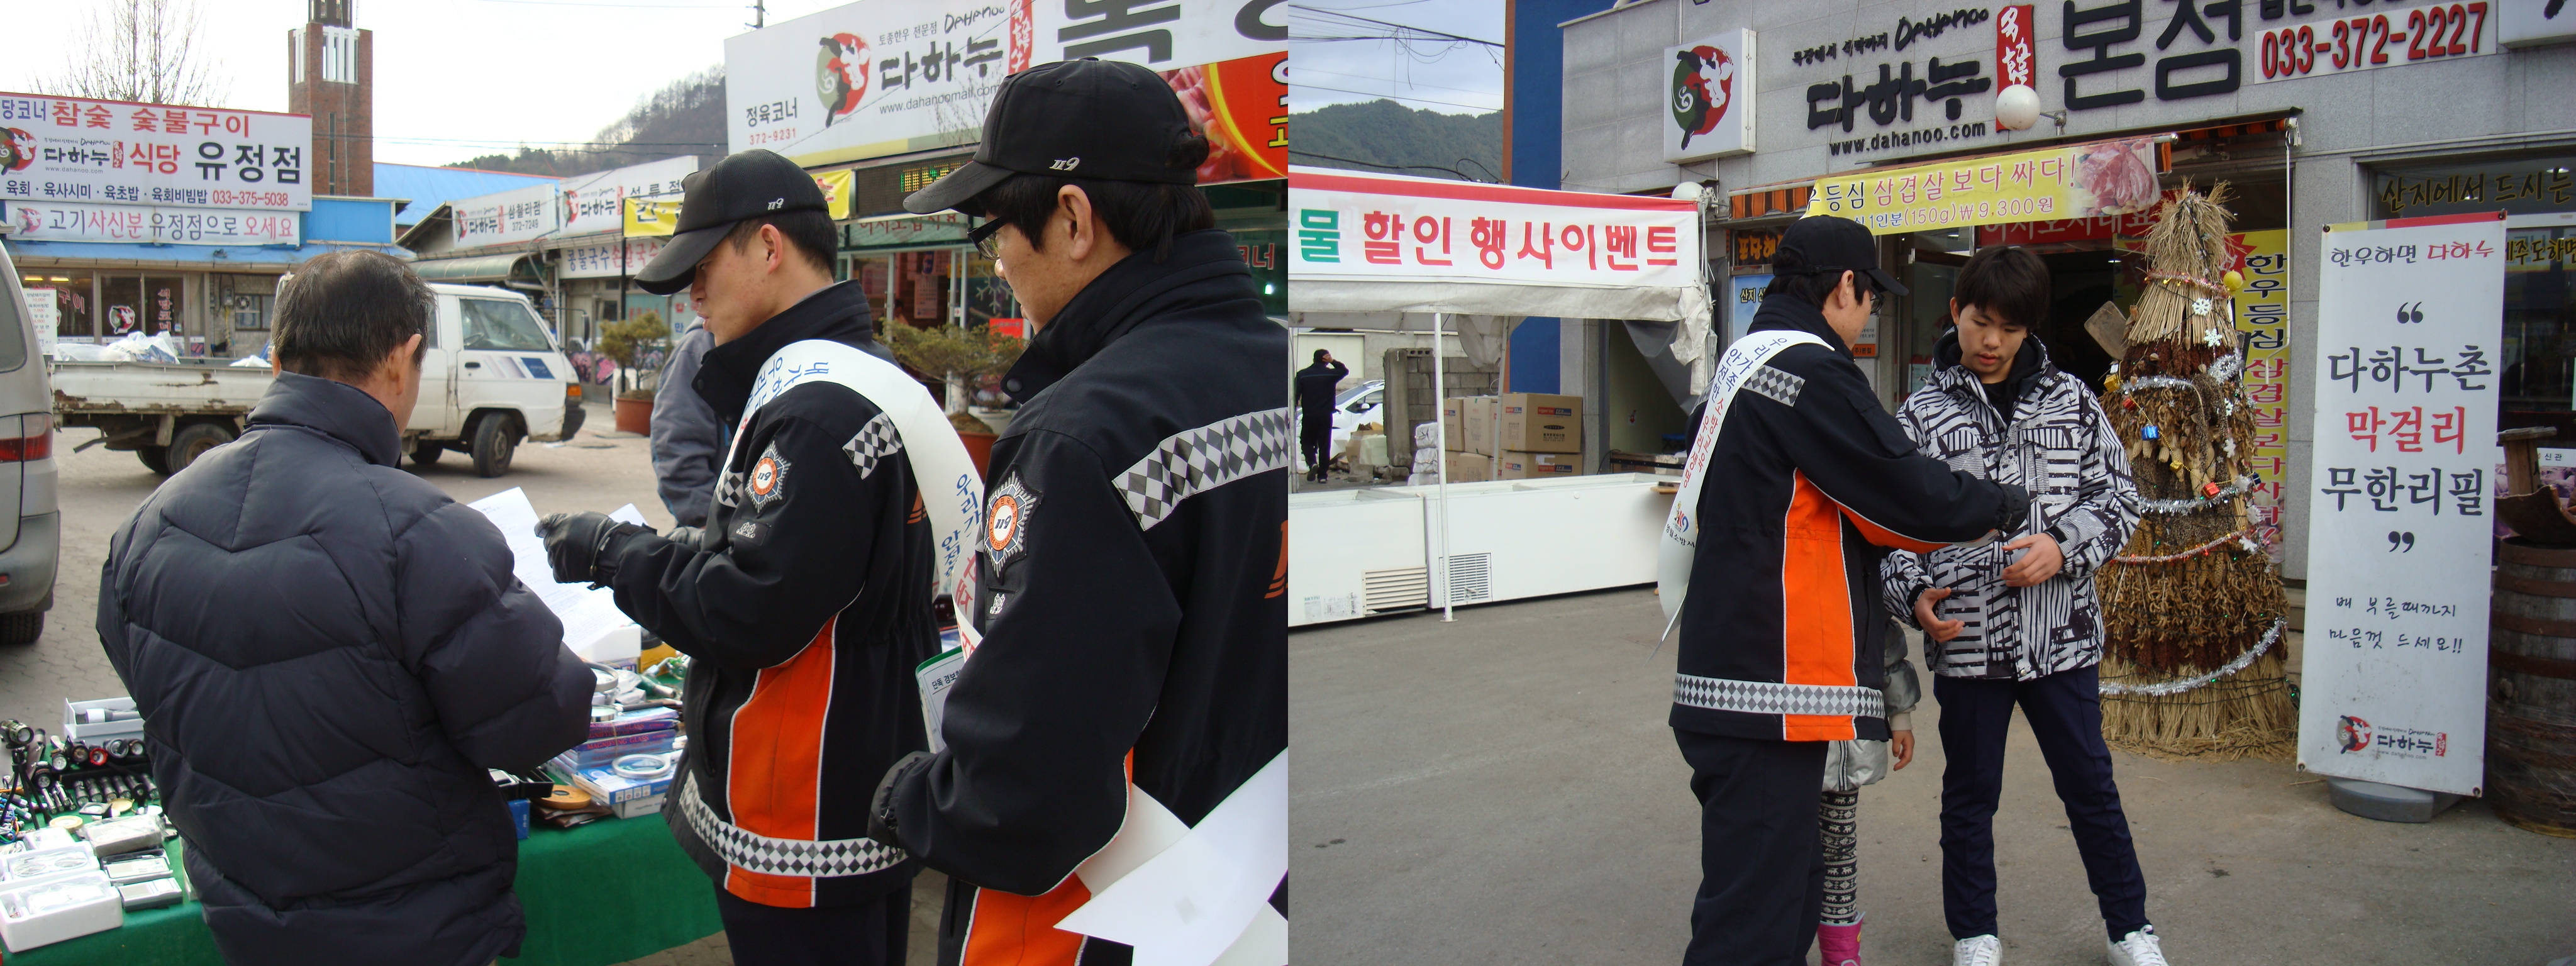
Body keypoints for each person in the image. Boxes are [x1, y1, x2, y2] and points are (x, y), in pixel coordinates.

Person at [866, 58, 1289, 966]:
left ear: (1072, 218)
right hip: (1253, 895)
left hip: (1105, 920)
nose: (996, 261)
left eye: (993, 229)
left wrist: (910, 798)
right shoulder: (1274, 365)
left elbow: (1024, 794)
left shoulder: (1084, 435)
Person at [96, 250, 592, 966]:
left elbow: (142, 669)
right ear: (401, 359)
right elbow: (542, 719)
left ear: (277, 360)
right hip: (411, 926)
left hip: (239, 910)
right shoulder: (419, 531)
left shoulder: (149, 522)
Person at [535, 149, 940, 966]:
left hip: (805, 800)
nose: (693, 294)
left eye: (702, 267)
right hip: (860, 769)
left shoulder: (816, 410)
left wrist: (615, 552)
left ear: (768, 247)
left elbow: (751, 606)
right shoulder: (865, 375)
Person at [1659, 214, 2027, 966]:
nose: (1869, 317)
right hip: (1770, 692)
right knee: (1752, 926)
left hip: (1729, 679)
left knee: (1779, 899)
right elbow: (1902, 495)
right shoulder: (1810, 374)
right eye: (1872, 299)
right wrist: (2001, 505)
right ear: (1846, 286)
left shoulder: (1738, 370)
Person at [1877, 245, 2157, 966]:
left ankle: (2129, 929)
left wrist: (2062, 547)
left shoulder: (2073, 401)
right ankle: (1974, 934)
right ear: (1955, 313)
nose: (1991, 342)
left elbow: (2120, 498)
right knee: (1970, 796)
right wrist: (1912, 595)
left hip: (2062, 639)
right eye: (1979, 322)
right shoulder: (1920, 416)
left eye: (2009, 327)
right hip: (1967, 641)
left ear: (2030, 328)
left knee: (2090, 786)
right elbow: (1885, 530)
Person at [1814, 619, 1919, 966]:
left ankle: (1841, 954)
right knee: (1781, 846)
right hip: (1785, 739)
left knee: (1839, 847)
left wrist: (1900, 717)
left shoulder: (1861, 589)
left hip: (1847, 737)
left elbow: (1885, 643)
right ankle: (1778, 945)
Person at [651, 316, 722, 528]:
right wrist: (705, 523)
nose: (695, 300)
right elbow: (676, 444)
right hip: (720, 532)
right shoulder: (701, 347)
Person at [1295, 348, 1348, 480]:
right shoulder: (1330, 374)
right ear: (1326, 361)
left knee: (1306, 442)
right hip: (1325, 416)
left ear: (1314, 360)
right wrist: (1333, 361)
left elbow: (1295, 396)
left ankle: (1312, 463)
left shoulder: (1303, 375)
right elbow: (1344, 371)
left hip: (1309, 415)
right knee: (1324, 445)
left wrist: (1293, 410)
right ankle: (1323, 476)